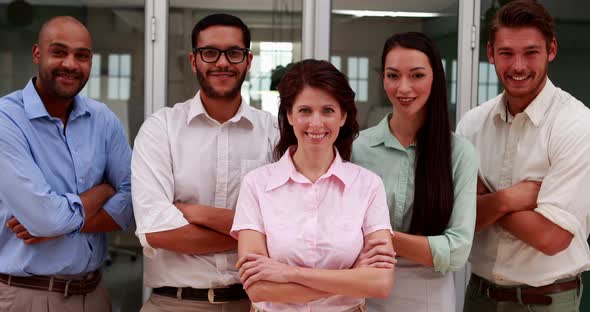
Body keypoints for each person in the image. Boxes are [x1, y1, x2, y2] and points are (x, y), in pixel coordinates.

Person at [132, 13, 278, 311]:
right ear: (193, 60)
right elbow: (157, 231)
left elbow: (283, 227)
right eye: (210, 53)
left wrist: (193, 212)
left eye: (234, 53)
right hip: (174, 302)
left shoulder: (273, 134)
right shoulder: (161, 129)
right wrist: (251, 233)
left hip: (253, 304)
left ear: (248, 61)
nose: (222, 62)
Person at [456, 1, 590, 311]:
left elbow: (552, 238)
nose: (518, 66)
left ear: (551, 49)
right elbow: (458, 217)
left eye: (530, 52)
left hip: (546, 301)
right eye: (506, 53)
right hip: (479, 297)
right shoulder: (472, 125)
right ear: (490, 53)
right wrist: (513, 198)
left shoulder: (577, 125)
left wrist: (486, 201)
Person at [231, 59, 396, 312]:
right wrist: (353, 277)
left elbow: (381, 283)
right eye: (305, 111)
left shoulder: (368, 185)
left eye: (328, 110)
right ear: (289, 115)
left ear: (343, 116)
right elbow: (259, 288)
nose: (316, 123)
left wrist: (287, 273)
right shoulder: (256, 185)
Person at [0, 16, 133, 311]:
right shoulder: (6, 120)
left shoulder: (103, 119)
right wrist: (102, 192)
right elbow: (44, 218)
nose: (71, 64)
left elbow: (134, 202)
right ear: (37, 53)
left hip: (95, 293)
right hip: (26, 296)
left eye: (81, 55)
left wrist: (55, 223)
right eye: (59, 52)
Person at [352, 32, 478, 312]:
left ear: (435, 78)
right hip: (362, 291)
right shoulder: (356, 148)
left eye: (417, 75)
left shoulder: (459, 153)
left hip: (429, 297)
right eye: (393, 75)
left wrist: (379, 235)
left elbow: (457, 251)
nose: (403, 88)